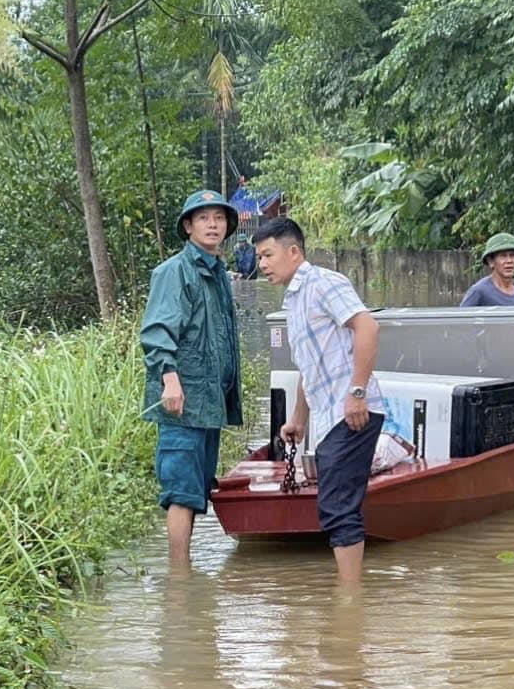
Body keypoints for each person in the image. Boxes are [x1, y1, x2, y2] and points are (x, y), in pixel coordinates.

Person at [252, 217, 384, 585]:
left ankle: (349, 600)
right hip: (329, 416)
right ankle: (349, 592)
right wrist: (297, 419)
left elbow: (368, 327)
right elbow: (311, 369)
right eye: (259, 257)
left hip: (353, 410)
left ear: (293, 252)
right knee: (336, 504)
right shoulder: (294, 300)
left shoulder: (324, 283)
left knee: (337, 506)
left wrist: (357, 392)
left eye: (268, 255)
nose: (262, 265)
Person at [140, 189, 243, 565]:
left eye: (219, 218)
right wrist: (169, 379)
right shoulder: (173, 272)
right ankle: (180, 579)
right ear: (188, 227)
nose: (213, 224)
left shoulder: (217, 275)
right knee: (181, 491)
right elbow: (156, 332)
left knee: (197, 489)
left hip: (209, 402)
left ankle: (186, 575)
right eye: (203, 218)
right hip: (182, 402)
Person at [459, 232, 514, 306]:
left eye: (512, 255)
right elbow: (461, 317)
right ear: (490, 261)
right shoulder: (479, 291)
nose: (509, 261)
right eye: (503, 256)